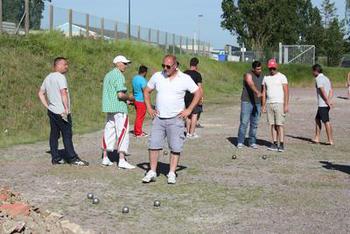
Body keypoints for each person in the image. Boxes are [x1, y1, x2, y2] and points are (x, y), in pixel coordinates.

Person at [142, 55, 201, 184]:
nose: (165, 68)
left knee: (175, 147)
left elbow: (198, 93)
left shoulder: (185, 78)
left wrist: (189, 110)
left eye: (168, 66)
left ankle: (172, 172)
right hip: (159, 118)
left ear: (175, 66)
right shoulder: (158, 76)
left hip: (176, 119)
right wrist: (149, 108)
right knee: (153, 145)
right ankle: (152, 171)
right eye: (163, 65)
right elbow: (146, 91)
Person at [38, 57, 89, 166]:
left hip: (52, 111)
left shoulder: (48, 77)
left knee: (54, 134)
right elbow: (63, 93)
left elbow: (40, 93)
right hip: (61, 112)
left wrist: (47, 106)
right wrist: (66, 109)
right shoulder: (61, 77)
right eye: (65, 64)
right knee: (67, 134)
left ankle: (55, 158)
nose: (67, 67)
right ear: (58, 65)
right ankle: (72, 158)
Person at [100, 55, 136, 169]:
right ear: (118, 63)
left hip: (110, 108)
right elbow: (120, 95)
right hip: (120, 109)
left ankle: (105, 157)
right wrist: (130, 98)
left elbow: (112, 94)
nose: (126, 66)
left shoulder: (108, 75)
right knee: (123, 132)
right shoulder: (119, 76)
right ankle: (121, 159)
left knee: (108, 131)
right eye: (125, 63)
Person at [261, 59, 289, 152]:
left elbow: (286, 92)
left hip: (279, 103)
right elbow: (264, 92)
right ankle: (274, 143)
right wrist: (263, 105)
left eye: (273, 68)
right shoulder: (266, 78)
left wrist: (286, 105)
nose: (272, 70)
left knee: (279, 124)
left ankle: (281, 144)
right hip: (269, 103)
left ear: (276, 67)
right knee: (272, 124)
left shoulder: (282, 77)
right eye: (270, 68)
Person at [236, 61, 263, 149]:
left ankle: (252, 142)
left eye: (260, 68)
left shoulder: (262, 76)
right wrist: (257, 92)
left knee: (254, 124)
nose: (260, 70)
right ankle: (240, 141)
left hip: (257, 103)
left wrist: (264, 104)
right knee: (244, 122)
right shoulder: (248, 74)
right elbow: (250, 83)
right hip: (247, 102)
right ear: (253, 69)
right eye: (258, 69)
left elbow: (265, 89)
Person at [312, 64, 334, 145]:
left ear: (315, 71)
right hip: (325, 103)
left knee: (326, 121)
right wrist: (329, 100)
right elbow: (331, 90)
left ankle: (330, 140)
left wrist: (327, 101)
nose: (312, 73)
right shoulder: (326, 78)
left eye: (312, 71)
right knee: (317, 119)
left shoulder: (318, 79)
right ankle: (317, 138)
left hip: (323, 104)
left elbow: (322, 91)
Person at [184, 57, 203, 138]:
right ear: (196, 65)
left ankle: (187, 132)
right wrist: (201, 97)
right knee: (194, 114)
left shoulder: (184, 73)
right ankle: (192, 133)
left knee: (188, 114)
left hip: (186, 96)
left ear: (190, 64)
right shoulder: (197, 74)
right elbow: (199, 87)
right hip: (194, 96)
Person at [132, 65, 148, 137]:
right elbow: (145, 90)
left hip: (135, 99)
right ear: (145, 72)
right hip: (141, 100)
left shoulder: (134, 78)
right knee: (140, 116)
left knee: (138, 116)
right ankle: (138, 132)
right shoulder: (142, 79)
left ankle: (137, 130)